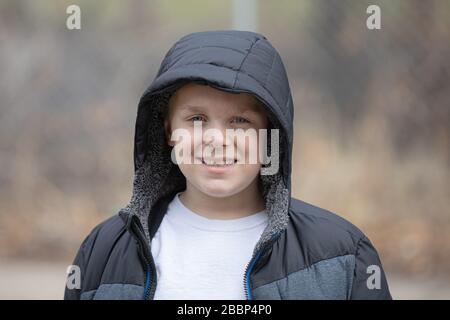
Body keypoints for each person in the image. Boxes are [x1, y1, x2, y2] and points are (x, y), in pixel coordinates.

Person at [64, 30, 392, 300]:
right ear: (167, 130)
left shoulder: (342, 253)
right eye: (196, 119)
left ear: (270, 134)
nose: (217, 139)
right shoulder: (105, 250)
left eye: (240, 121)